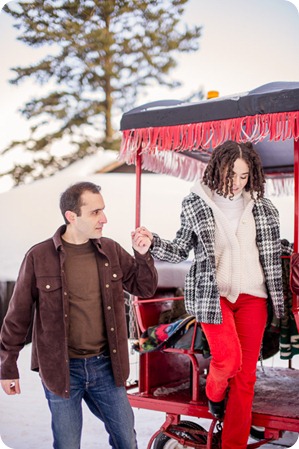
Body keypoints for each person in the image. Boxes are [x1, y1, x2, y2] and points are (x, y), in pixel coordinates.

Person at [134, 140, 293, 449]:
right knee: (228, 360)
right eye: (231, 174)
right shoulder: (196, 202)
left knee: (246, 379)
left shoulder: (263, 206)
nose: (236, 182)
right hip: (214, 295)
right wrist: (152, 242)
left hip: (254, 297)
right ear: (217, 169)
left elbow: (274, 250)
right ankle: (214, 396)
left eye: (244, 176)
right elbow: (181, 248)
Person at [0, 181, 157, 449]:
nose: (104, 219)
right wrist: (7, 366)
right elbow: (18, 315)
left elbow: (144, 287)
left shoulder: (111, 250)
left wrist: (142, 256)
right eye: (95, 212)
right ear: (71, 216)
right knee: (68, 444)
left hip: (107, 366)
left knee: (127, 440)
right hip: (61, 369)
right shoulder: (39, 256)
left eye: (103, 210)